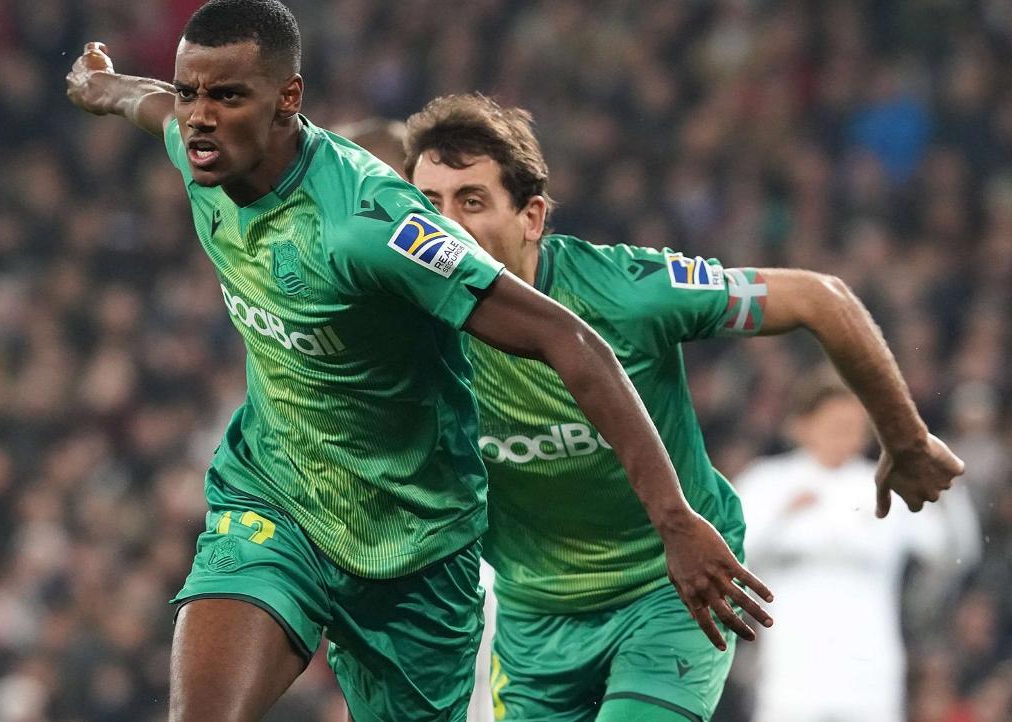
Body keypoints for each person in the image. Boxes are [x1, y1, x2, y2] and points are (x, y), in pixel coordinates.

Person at [65, 0, 767, 722]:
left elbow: (570, 338)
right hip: (278, 504)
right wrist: (102, 87)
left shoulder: (373, 225)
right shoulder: (199, 147)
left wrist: (674, 519)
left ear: (287, 99)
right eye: (191, 93)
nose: (201, 115)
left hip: (417, 551)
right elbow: (149, 105)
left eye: (229, 96)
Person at [402, 93, 965, 722]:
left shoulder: (627, 292)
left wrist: (905, 438)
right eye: (428, 205)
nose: (444, 226)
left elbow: (821, 299)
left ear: (531, 217)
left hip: (673, 588)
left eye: (471, 202)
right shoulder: (401, 327)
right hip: (534, 620)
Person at [736, 375, 980, 722]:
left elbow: (954, 554)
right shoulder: (766, 482)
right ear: (802, 425)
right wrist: (781, 515)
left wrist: (949, 488)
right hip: (791, 672)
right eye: (834, 423)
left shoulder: (887, 488)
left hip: (870, 674)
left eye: (855, 426)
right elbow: (730, 556)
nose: (845, 434)